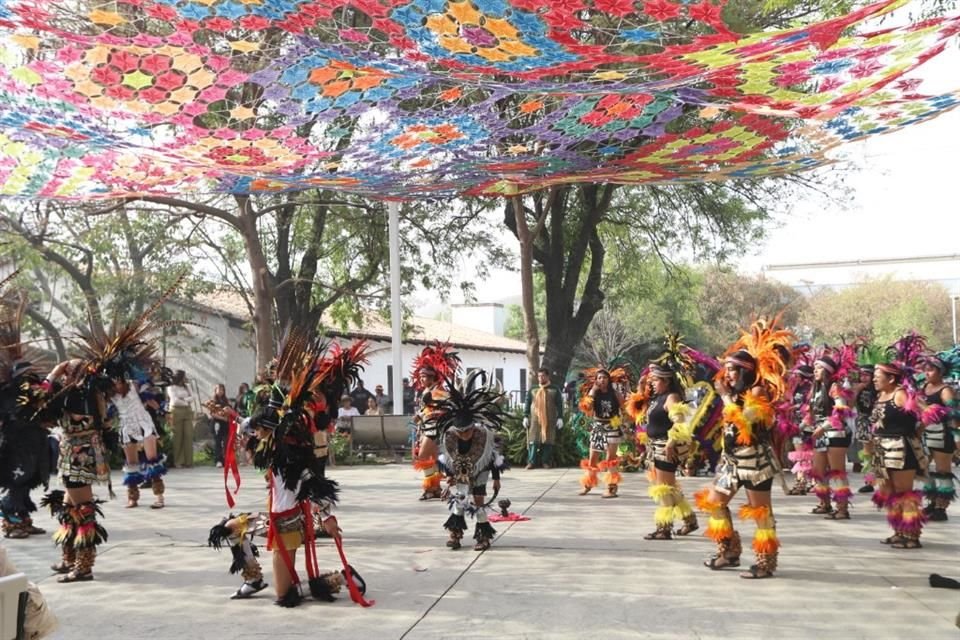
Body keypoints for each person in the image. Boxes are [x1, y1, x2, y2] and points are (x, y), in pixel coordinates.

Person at [695, 318, 793, 579]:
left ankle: (765, 562)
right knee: (714, 503)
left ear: (746, 371)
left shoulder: (757, 391)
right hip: (731, 462)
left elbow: (745, 421)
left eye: (733, 370)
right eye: (726, 369)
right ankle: (728, 551)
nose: (727, 374)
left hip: (755, 462)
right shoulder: (733, 393)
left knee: (761, 513)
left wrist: (725, 396)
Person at [430, 374, 507, 551]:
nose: (463, 435)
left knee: (478, 501)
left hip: (481, 470)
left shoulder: (484, 436)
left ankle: (483, 537)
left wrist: (496, 479)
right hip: (462, 472)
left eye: (467, 431)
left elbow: (493, 458)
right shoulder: (450, 437)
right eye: (460, 432)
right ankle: (455, 534)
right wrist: (450, 477)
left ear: (473, 427)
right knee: (461, 500)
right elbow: (448, 460)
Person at [870, 361, 927, 549]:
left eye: (877, 377)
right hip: (881, 450)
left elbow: (929, 411)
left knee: (904, 492)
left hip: (901, 448)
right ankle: (898, 531)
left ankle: (912, 535)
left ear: (891, 378)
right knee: (888, 492)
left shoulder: (901, 394)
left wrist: (917, 432)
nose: (874, 380)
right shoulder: (881, 395)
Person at [639, 363, 699, 540]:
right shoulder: (658, 397)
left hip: (665, 449)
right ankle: (690, 520)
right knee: (669, 488)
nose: (652, 383)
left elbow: (679, 421)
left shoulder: (671, 398)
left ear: (666, 381)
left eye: (655, 380)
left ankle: (664, 528)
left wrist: (671, 443)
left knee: (663, 490)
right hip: (656, 447)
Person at [808, 352, 855, 520]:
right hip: (820, 432)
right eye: (814, 367)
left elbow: (841, 410)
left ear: (827, 370)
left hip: (835, 433)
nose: (815, 370)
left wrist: (824, 426)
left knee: (837, 472)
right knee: (818, 471)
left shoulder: (834, 386)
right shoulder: (815, 389)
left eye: (819, 367)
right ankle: (824, 503)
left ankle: (842, 508)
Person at [410, 343, 460, 501]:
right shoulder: (426, 391)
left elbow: (444, 409)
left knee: (423, 457)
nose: (421, 379)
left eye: (424, 376)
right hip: (426, 429)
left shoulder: (439, 391)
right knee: (430, 459)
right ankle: (435, 488)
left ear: (432, 377)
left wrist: (423, 415)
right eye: (421, 376)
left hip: (435, 429)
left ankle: (431, 488)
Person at [112, 377, 167, 509]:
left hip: (144, 423)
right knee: (131, 463)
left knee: (152, 459)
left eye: (117, 379)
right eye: (113, 379)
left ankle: (159, 496)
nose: (115, 382)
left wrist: (162, 411)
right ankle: (132, 498)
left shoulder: (133, 385)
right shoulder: (109, 393)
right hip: (126, 427)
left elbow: (150, 399)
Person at [919, 355, 957, 521]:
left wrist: (957, 437)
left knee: (943, 471)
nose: (927, 373)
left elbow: (953, 416)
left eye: (931, 369)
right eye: (925, 370)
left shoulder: (946, 390)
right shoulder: (923, 387)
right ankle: (932, 502)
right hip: (924, 433)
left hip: (943, 434)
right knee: (923, 468)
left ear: (940, 372)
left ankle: (941, 507)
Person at [578, 367, 626, 498]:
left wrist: (626, 424)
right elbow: (587, 407)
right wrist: (593, 390)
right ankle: (588, 484)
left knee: (610, 459)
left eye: (604, 378)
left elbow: (625, 408)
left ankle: (611, 487)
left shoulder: (615, 393)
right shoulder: (594, 393)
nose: (602, 380)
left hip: (612, 426)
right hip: (598, 426)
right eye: (599, 378)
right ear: (596, 380)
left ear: (609, 380)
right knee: (593, 458)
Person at [522, 368, 564, 469]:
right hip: (535, 419)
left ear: (548, 376)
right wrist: (525, 416)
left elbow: (559, 404)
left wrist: (560, 418)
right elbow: (527, 402)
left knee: (548, 440)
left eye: (543, 376)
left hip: (550, 418)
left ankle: (546, 462)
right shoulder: (533, 389)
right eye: (539, 376)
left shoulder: (554, 389)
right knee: (533, 440)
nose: (540, 378)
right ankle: (531, 462)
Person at [167, 370, 193, 469]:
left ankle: (188, 461)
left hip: (187, 411)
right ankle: (178, 461)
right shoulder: (171, 388)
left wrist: (184, 400)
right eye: (184, 376)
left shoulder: (187, 386)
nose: (185, 378)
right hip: (176, 411)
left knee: (188, 435)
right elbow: (174, 400)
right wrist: (186, 401)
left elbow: (193, 397)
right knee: (177, 436)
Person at [206, 383, 232, 469]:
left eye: (222, 390)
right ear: (215, 390)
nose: (221, 391)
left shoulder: (226, 401)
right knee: (218, 442)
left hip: (225, 424)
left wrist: (228, 416)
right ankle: (218, 460)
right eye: (219, 389)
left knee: (226, 442)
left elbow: (230, 411)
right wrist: (222, 418)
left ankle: (226, 460)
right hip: (217, 423)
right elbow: (212, 413)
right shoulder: (213, 401)